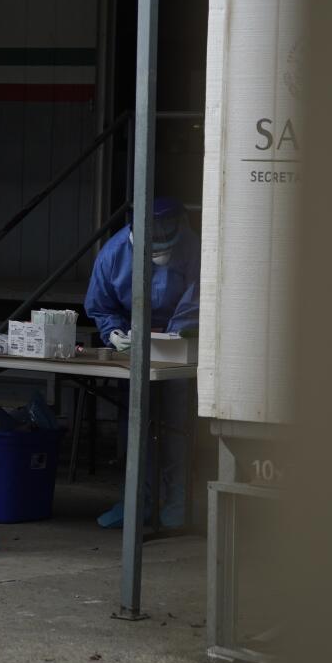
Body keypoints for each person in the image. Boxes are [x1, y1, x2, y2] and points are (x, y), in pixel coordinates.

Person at [83, 197, 199, 529]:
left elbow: (196, 301)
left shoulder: (193, 249)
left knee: (176, 426)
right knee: (135, 425)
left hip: (179, 351)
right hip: (132, 349)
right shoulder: (114, 254)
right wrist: (115, 333)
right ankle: (137, 502)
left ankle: (177, 502)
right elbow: (102, 305)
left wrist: (171, 337)